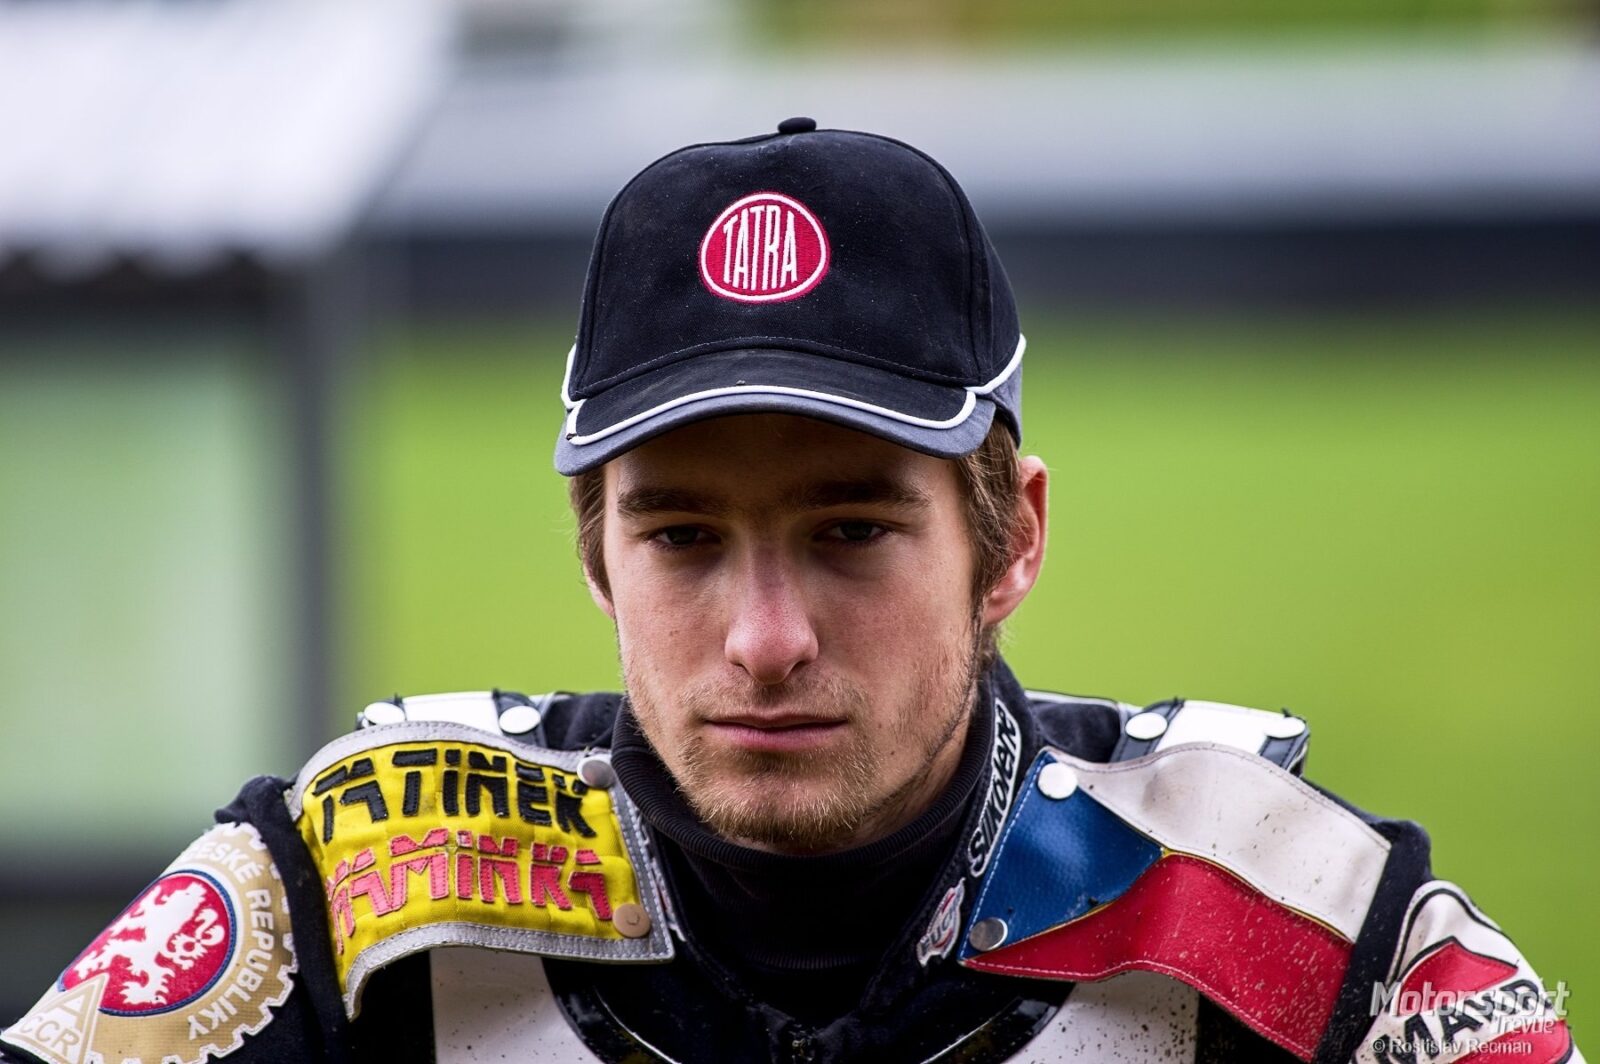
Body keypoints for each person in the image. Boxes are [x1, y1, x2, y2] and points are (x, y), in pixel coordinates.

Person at [1, 120, 1580, 1064]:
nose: (765, 640)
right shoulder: (366, 877)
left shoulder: (1283, 905)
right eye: (683, 539)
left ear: (1010, 543)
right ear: (596, 555)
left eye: (851, 532)